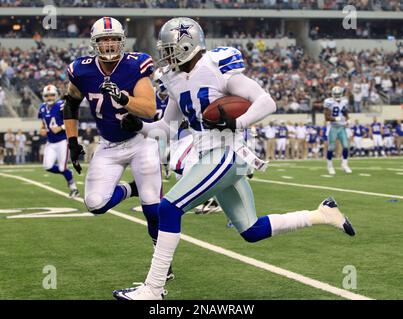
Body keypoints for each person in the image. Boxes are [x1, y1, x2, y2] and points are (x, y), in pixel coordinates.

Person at [114, 17, 355, 300]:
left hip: (225, 154)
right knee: (251, 230)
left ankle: (153, 288)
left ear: (187, 46)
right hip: (212, 157)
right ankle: (322, 214)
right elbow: (167, 127)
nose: (165, 56)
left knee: (168, 209)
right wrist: (140, 126)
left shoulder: (218, 66)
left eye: (169, 49)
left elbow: (266, 101)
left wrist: (236, 124)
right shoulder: (175, 80)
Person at [63, 17, 173, 278]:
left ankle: (162, 263)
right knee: (95, 204)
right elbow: (70, 104)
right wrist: (72, 142)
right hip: (108, 145)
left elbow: (149, 109)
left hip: (140, 142)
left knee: (152, 208)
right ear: (95, 43)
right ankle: (129, 189)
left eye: (114, 39)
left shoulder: (135, 65)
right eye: (104, 39)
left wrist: (122, 97)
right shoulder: (82, 70)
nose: (109, 44)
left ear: (122, 41)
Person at [38, 85, 80, 197]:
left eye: (52, 95)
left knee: (62, 167)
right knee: (47, 166)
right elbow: (43, 121)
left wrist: (61, 127)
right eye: (47, 96)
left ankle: (73, 188)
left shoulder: (62, 105)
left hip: (62, 141)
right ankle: (68, 172)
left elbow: (73, 121)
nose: (49, 98)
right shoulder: (42, 107)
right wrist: (42, 128)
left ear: (56, 95)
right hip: (50, 142)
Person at [324, 86, 352, 175]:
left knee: (346, 146)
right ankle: (329, 166)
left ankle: (344, 164)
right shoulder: (328, 102)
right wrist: (336, 119)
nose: (337, 96)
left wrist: (347, 119)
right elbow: (326, 117)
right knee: (331, 147)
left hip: (341, 127)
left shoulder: (344, 101)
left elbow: (345, 111)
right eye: (335, 94)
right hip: (333, 127)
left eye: (338, 94)